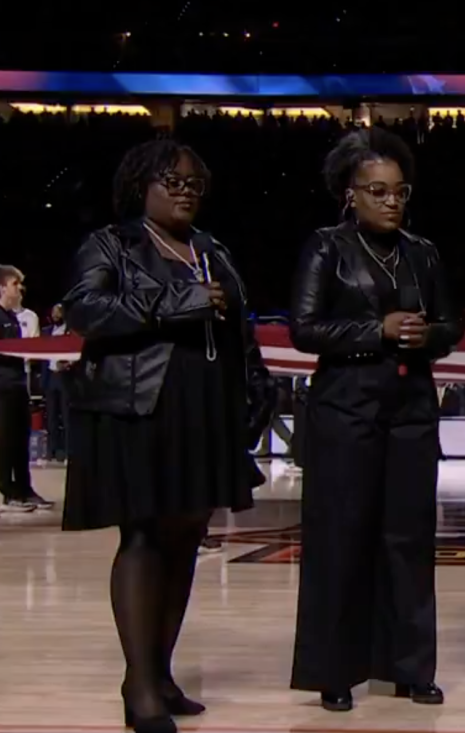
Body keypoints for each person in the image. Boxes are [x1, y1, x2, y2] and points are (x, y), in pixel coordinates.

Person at [60, 139, 273, 733]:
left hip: (205, 410)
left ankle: (160, 672)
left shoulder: (212, 249)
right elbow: (84, 310)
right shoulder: (112, 243)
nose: (184, 191)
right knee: (145, 537)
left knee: (185, 540)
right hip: (140, 408)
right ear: (141, 187)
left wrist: (256, 386)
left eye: (193, 184)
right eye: (171, 181)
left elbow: (239, 330)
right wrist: (175, 301)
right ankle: (138, 685)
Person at [289, 128, 462, 710]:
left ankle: (409, 667)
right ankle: (335, 671)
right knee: (341, 539)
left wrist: (426, 335)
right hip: (345, 407)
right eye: (378, 191)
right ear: (351, 194)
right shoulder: (325, 248)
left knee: (408, 539)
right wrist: (376, 331)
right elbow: (304, 329)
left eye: (399, 191)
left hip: (410, 408)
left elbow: (451, 326)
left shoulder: (423, 251)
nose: (391, 201)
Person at [0, 266, 38, 513]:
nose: (20, 288)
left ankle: (24, 490)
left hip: (18, 386)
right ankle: (7, 493)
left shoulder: (12, 317)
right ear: (1, 288)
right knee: (5, 442)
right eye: (15, 284)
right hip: (2, 388)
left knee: (20, 440)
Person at [42, 303, 71, 463]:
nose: (55, 315)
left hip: (64, 377)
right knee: (51, 417)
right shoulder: (47, 332)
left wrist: (67, 365)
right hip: (50, 377)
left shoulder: (70, 332)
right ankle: (51, 451)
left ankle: (67, 451)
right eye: (53, 312)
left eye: (58, 312)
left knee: (66, 417)